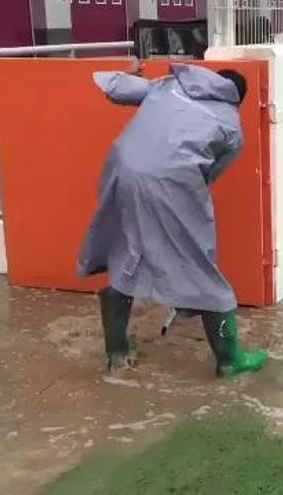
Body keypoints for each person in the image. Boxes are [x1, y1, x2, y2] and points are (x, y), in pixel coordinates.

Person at [76, 63, 267, 378]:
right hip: (171, 180)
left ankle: (117, 354)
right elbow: (205, 178)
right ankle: (230, 360)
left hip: (122, 170)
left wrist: (132, 72)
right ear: (236, 100)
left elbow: (113, 87)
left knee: (128, 253)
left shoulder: (169, 86)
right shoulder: (231, 125)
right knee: (200, 265)